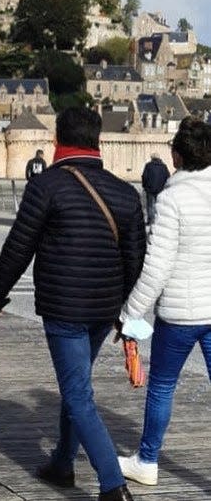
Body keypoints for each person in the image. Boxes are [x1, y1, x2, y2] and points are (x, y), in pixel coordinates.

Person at [0, 107, 145, 501]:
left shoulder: (45, 186)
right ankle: (63, 463)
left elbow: (19, 246)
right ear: (98, 141)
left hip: (64, 308)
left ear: (57, 142)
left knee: (78, 394)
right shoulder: (125, 193)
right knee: (77, 386)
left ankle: (112, 485)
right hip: (105, 311)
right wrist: (125, 309)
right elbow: (136, 258)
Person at [117, 117, 211, 488]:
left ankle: (148, 460)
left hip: (180, 313)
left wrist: (130, 313)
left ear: (175, 156)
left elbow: (155, 270)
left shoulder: (172, 199)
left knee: (162, 387)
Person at [140, 152, 169, 226]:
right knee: (159, 205)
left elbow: (144, 176)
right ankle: (159, 221)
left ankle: (150, 221)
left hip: (150, 189)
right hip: (160, 189)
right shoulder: (164, 166)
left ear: (152, 158)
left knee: (150, 206)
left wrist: (144, 186)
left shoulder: (148, 166)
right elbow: (167, 176)